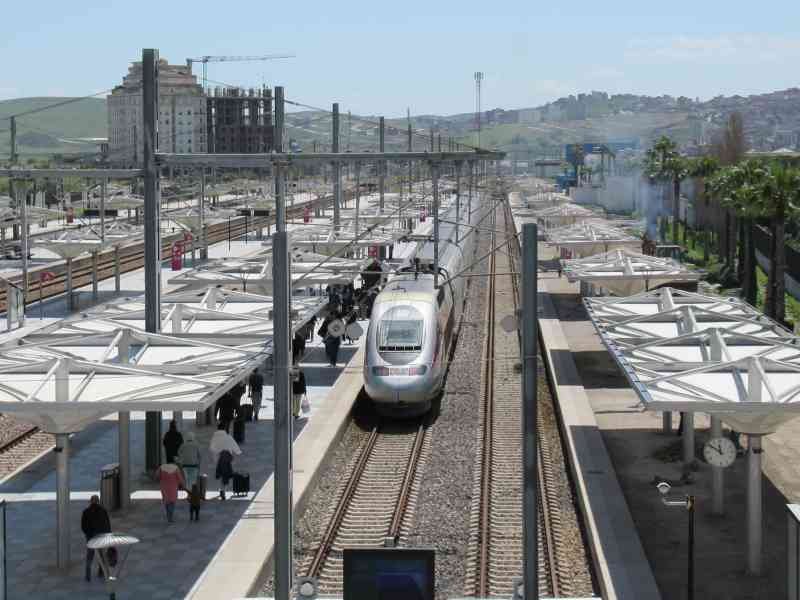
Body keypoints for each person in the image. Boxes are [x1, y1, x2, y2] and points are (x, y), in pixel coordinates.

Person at [81, 495, 111, 582]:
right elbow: (107, 524)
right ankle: (101, 572)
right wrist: (107, 534)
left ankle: (88, 575)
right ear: (98, 501)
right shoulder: (103, 511)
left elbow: (83, 526)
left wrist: (88, 534)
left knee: (90, 556)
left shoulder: (86, 512)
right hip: (100, 537)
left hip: (91, 538)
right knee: (101, 555)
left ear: (91, 501)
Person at [209, 423, 242, 500]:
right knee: (225, 474)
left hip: (218, 459)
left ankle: (221, 490)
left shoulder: (214, 437)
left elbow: (211, 448)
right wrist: (238, 452)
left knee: (221, 474)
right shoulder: (228, 437)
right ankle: (222, 490)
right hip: (227, 459)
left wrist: (217, 453)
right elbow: (234, 446)